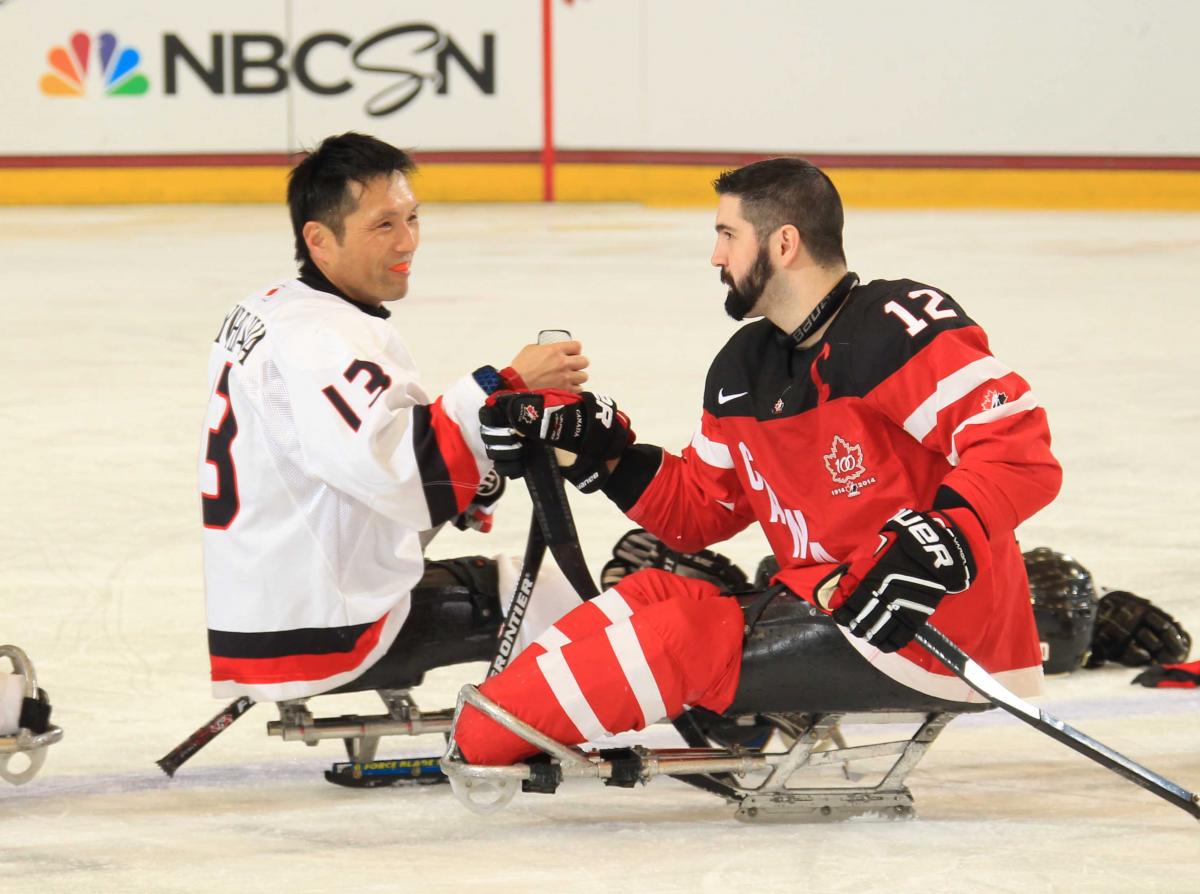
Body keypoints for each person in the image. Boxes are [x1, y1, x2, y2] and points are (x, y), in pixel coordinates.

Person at [454, 157, 1062, 764]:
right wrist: (599, 451)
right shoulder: (744, 366)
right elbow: (700, 511)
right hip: (823, 605)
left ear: (784, 242)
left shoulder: (894, 326)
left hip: (925, 627)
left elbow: (1018, 451)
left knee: (683, 638)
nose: (716, 258)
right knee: (652, 593)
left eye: (727, 236)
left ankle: (485, 737)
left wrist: (938, 536)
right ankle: (493, 720)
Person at [199, 132, 588, 702]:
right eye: (384, 225)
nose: (408, 241)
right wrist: (509, 387)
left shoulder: (270, 306)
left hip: (272, 601)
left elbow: (344, 460)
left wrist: (472, 473)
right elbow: (406, 465)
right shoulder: (321, 336)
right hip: (323, 626)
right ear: (320, 240)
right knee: (546, 594)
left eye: (412, 218)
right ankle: (604, 735)